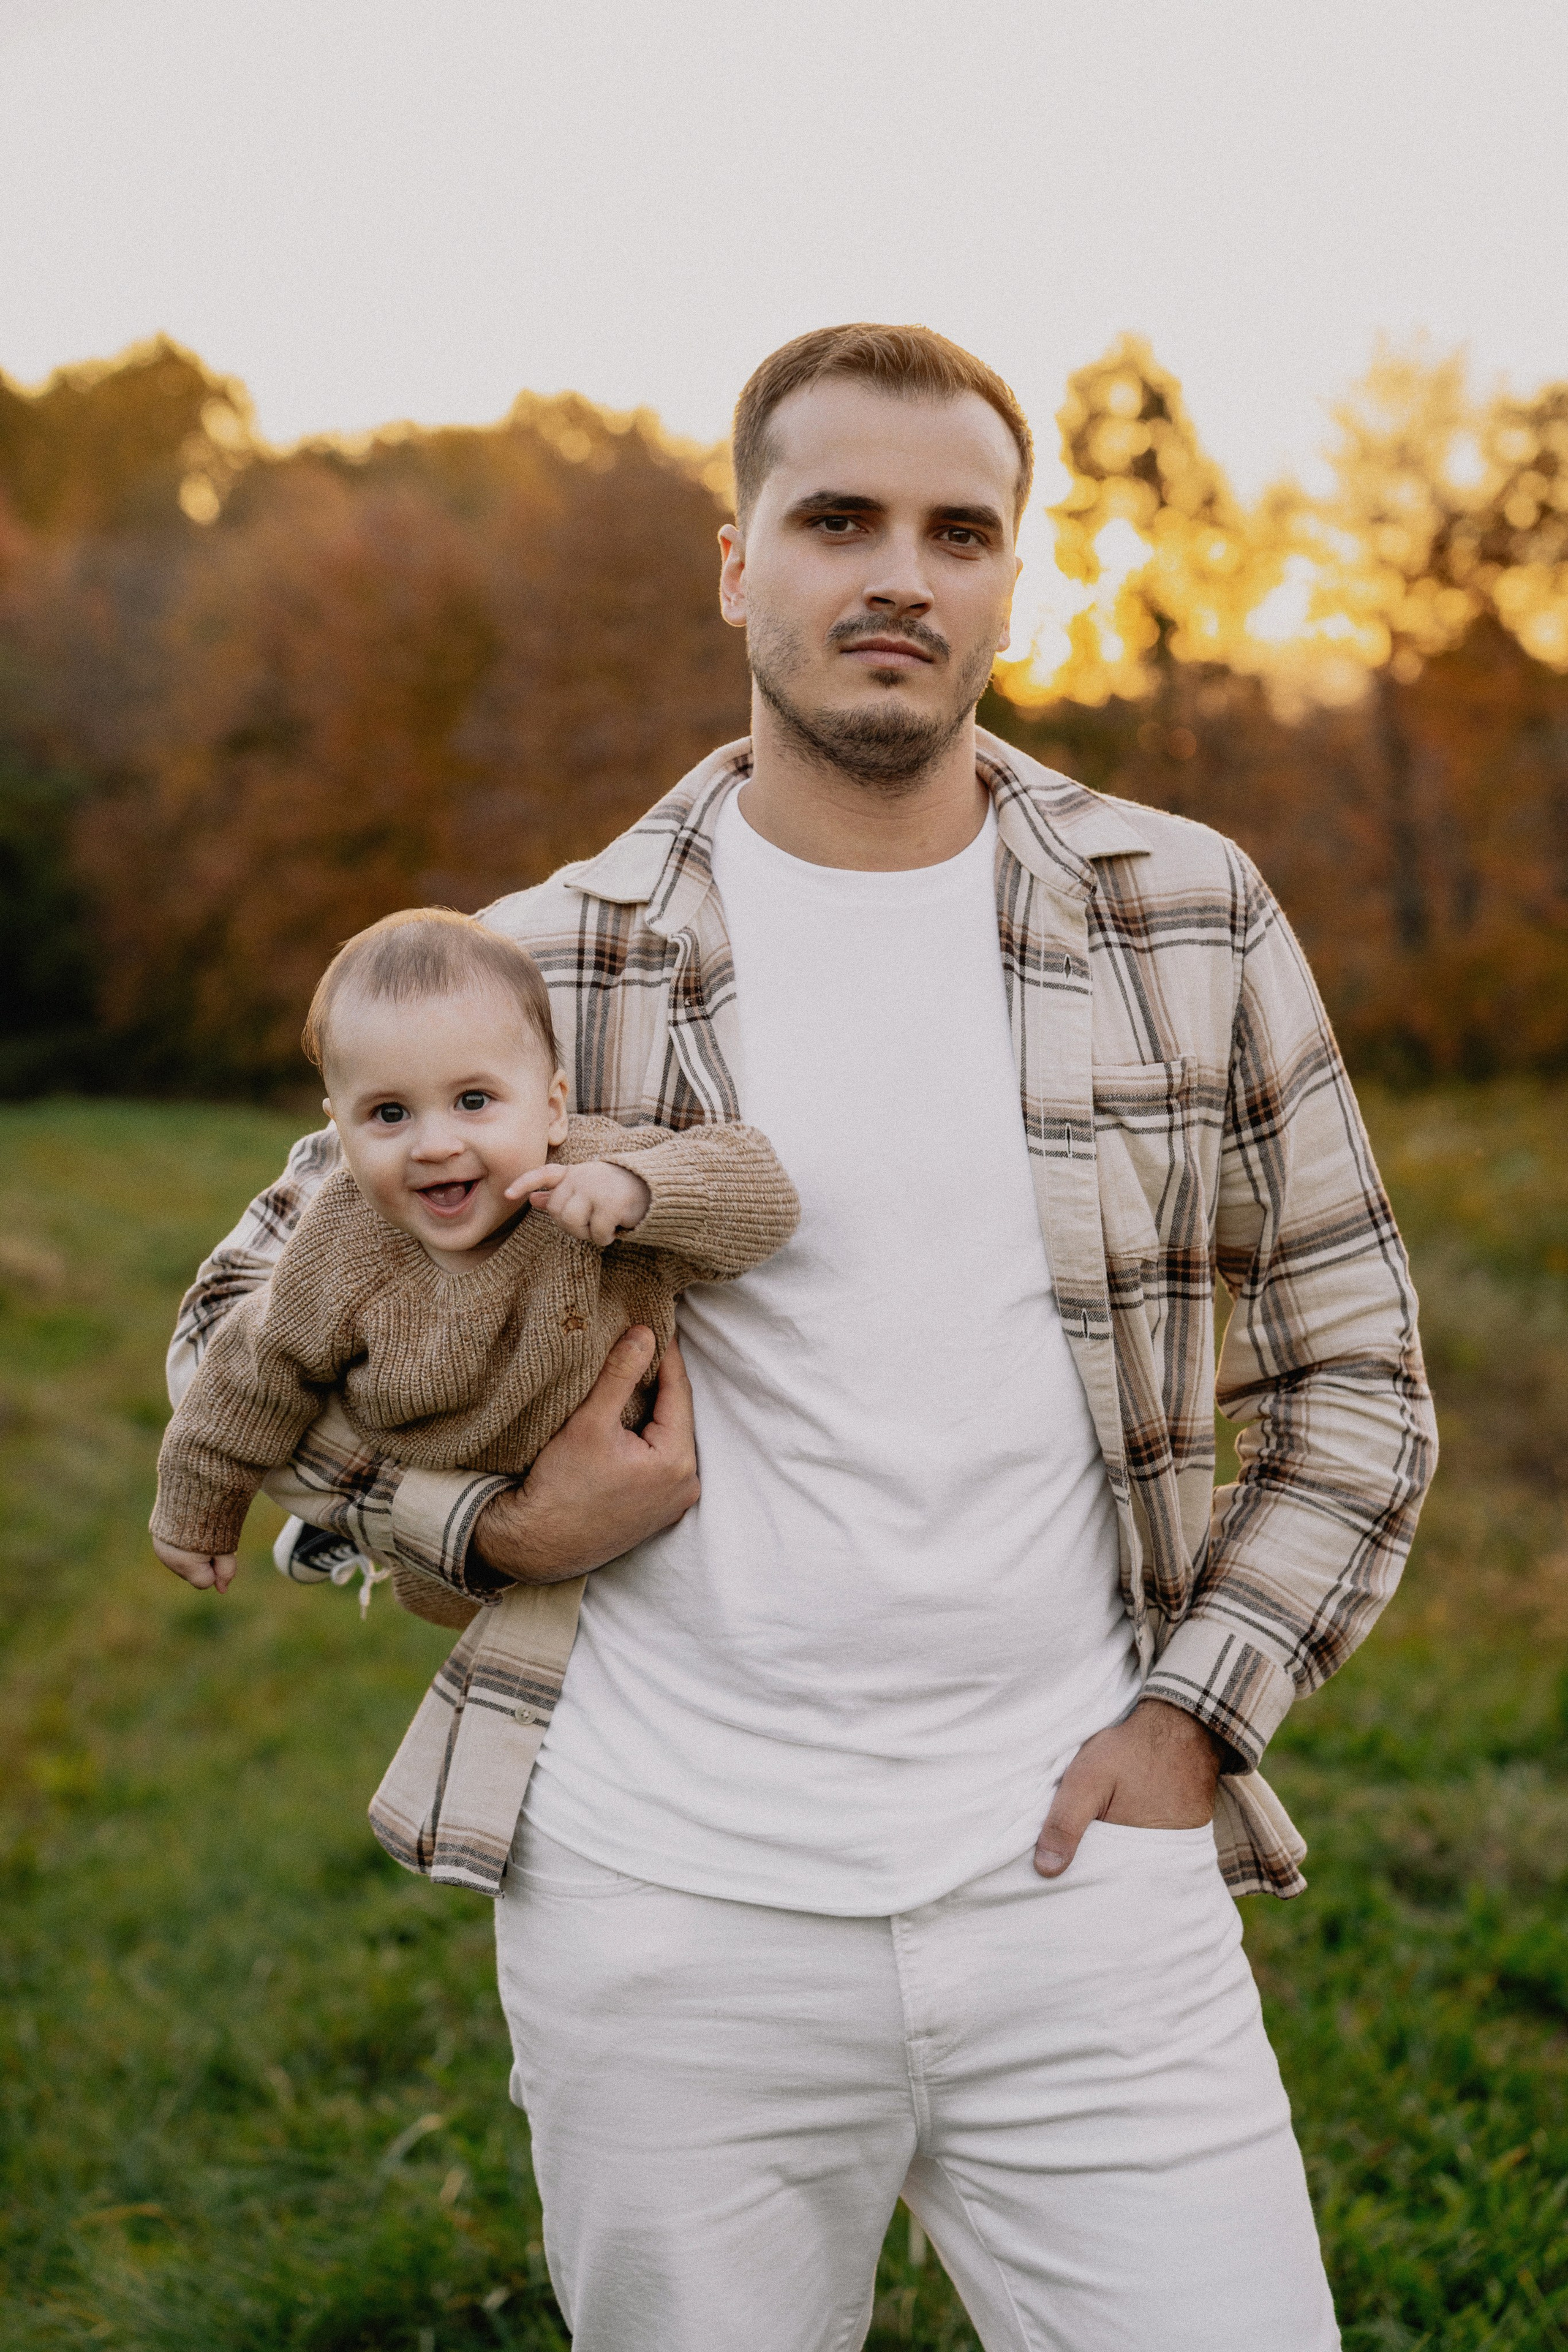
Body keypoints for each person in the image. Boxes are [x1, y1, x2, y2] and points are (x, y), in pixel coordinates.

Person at [165, 323, 1438, 2351]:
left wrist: (1197, 1715)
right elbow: (240, 1325)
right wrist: (484, 1534)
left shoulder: (1180, 913)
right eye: (837, 517)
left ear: (1016, 582)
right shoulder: (555, 959)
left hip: (1087, 1892)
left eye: (960, 532)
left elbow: (1357, 1368)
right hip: (670, 1911)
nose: (900, 576)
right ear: (738, 565)